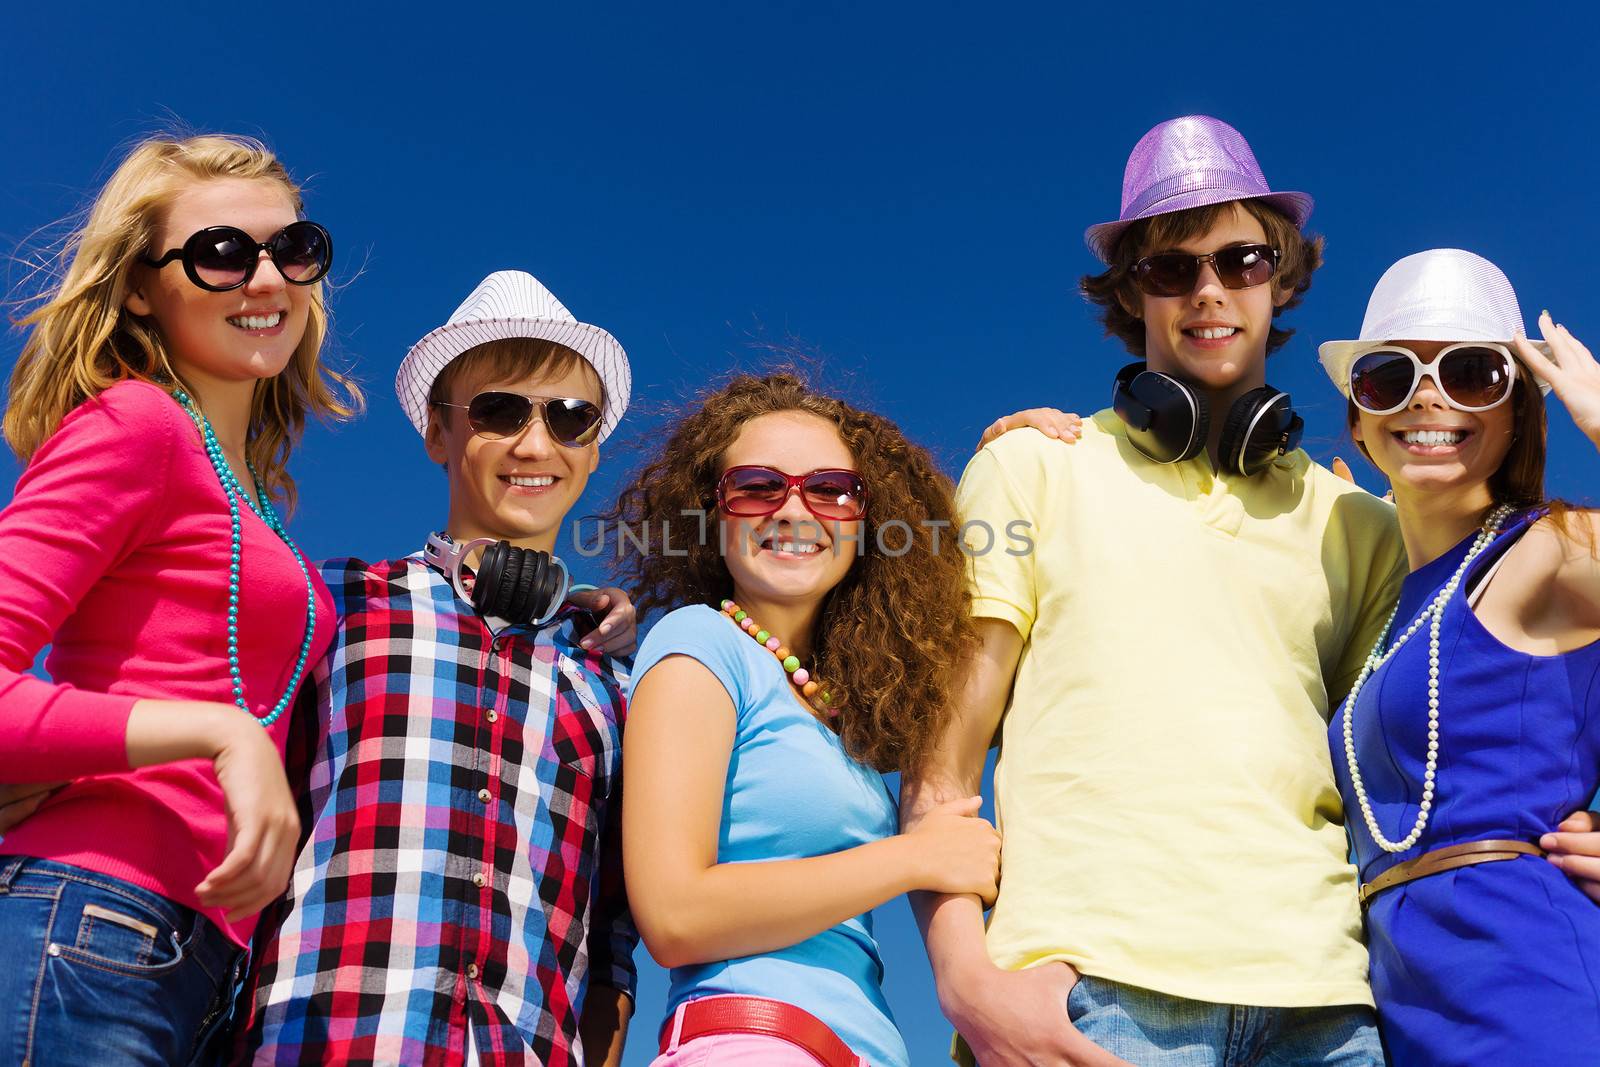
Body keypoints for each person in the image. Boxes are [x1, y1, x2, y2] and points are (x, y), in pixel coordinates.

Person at [905, 116, 1406, 1066]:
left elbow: (1414, 769)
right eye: (1171, 268)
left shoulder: (1360, 526)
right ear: (1130, 293)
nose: (1209, 290)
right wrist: (969, 985)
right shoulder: (1030, 468)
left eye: (1242, 259)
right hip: (1092, 995)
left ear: (1284, 275)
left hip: (1328, 1011)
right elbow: (942, 770)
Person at [0, 132, 355, 1065]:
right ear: (136, 285)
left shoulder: (255, 501)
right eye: (221, 253)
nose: (267, 279)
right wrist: (218, 733)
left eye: (294, 248)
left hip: (196, 965)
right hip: (87, 920)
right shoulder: (137, 422)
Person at [241, 270, 640, 1066]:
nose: (536, 443)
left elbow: (612, 949)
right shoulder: (333, 604)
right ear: (436, 432)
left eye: (570, 418)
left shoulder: (615, 685)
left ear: (593, 450)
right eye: (499, 410)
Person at [614, 372, 999, 1067]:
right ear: (713, 513)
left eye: (830, 489)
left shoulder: (829, 703)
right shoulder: (699, 642)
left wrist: (1016, 449)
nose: (794, 510)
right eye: (759, 486)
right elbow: (675, 913)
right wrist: (912, 856)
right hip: (754, 1043)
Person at [1321, 248, 1600, 1065]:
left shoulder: (1550, 549)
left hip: (1535, 1003)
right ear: (1360, 419)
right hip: (1406, 1021)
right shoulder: (1385, 607)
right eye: (1388, 377)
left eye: (1474, 372)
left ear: (1519, 410)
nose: (1430, 395)